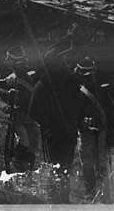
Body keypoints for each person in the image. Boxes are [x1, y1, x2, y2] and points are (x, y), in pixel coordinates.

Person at [29, 24, 83, 203]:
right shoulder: (70, 83)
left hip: (56, 134)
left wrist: (46, 124)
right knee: (63, 167)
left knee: (57, 166)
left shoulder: (43, 86)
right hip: (64, 132)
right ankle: (61, 199)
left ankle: (58, 200)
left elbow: (33, 112)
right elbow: (80, 107)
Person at [0, 45, 40, 172]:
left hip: (29, 115)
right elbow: (0, 99)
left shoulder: (29, 77)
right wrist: (5, 106)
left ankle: (28, 168)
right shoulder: (10, 79)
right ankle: (16, 165)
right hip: (17, 116)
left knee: (34, 140)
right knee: (24, 139)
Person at [75, 57, 112, 203]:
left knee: (101, 163)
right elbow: (73, 113)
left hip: (101, 131)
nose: (89, 78)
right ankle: (90, 193)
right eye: (86, 76)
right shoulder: (77, 92)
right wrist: (81, 122)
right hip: (86, 132)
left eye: (91, 75)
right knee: (87, 164)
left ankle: (105, 194)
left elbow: (110, 108)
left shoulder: (102, 89)